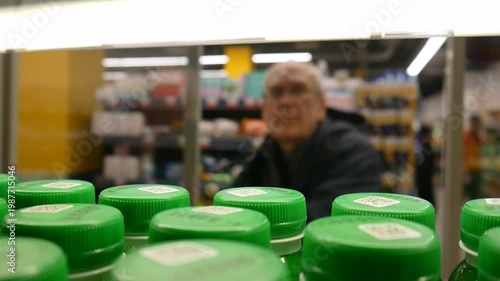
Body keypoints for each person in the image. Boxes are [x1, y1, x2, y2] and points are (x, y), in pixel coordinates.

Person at [233, 61, 382, 222]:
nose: (286, 102)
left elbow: (329, 220)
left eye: (298, 90)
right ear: (264, 109)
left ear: (321, 104)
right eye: (276, 93)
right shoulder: (264, 152)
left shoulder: (355, 152)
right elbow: (232, 203)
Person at [415, 124, 437, 207]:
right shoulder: (427, 147)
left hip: (421, 180)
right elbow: (430, 165)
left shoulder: (419, 147)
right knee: (429, 201)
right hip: (425, 180)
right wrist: (433, 175)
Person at [463, 115, 483, 200]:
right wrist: (465, 173)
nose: (478, 128)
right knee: (465, 196)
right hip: (467, 171)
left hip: (477, 170)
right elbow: (462, 156)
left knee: (475, 196)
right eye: (476, 125)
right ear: (472, 125)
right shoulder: (465, 138)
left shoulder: (478, 138)